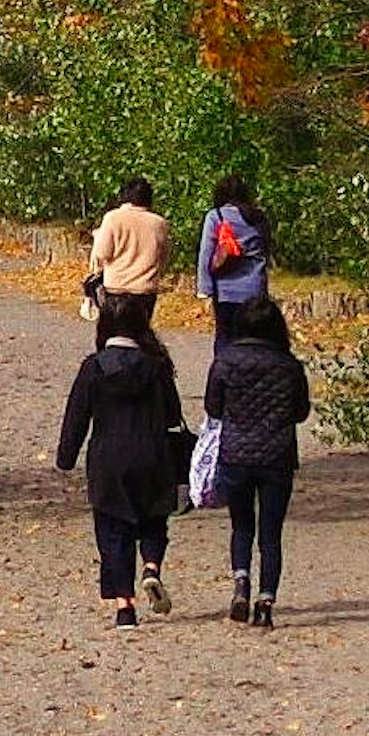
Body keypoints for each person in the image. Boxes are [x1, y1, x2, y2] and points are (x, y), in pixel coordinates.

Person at [57, 289, 188, 626]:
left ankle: (124, 607)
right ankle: (151, 566)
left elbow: (76, 417)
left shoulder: (94, 367)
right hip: (152, 453)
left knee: (113, 529)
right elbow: (173, 415)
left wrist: (66, 457)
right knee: (154, 520)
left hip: (108, 458)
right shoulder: (156, 367)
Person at [206, 295, 313, 628]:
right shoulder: (289, 365)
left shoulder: (226, 361)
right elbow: (301, 411)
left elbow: (213, 407)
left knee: (241, 525)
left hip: (236, 453)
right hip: (277, 455)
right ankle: (266, 601)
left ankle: (240, 581)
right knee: (271, 533)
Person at [83, 175, 170, 322]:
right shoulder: (159, 223)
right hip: (145, 289)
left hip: (116, 288)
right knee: (140, 333)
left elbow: (102, 253)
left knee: (112, 332)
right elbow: (164, 256)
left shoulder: (113, 218)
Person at [197, 176, 275, 336]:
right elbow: (267, 248)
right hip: (255, 288)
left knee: (225, 337)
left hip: (226, 291)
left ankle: (227, 362)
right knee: (253, 337)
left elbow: (206, 253)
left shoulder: (216, 216)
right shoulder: (258, 217)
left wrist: (204, 288)